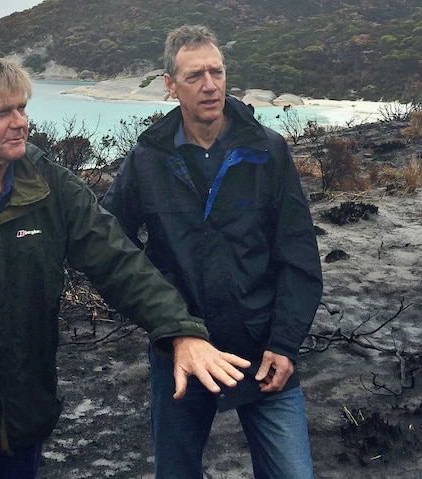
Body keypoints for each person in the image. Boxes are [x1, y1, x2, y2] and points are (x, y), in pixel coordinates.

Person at [0, 54, 252, 479]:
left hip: (20, 430)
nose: (20, 122)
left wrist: (180, 331)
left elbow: (119, 262)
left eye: (22, 108)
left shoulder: (52, 188)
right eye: (3, 112)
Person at [101, 25, 324, 479]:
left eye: (217, 72)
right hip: (181, 350)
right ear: (169, 85)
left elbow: (299, 255)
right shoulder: (148, 158)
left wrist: (284, 343)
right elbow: (109, 246)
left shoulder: (267, 149)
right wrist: (165, 323)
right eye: (194, 76)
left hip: (260, 348)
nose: (210, 85)